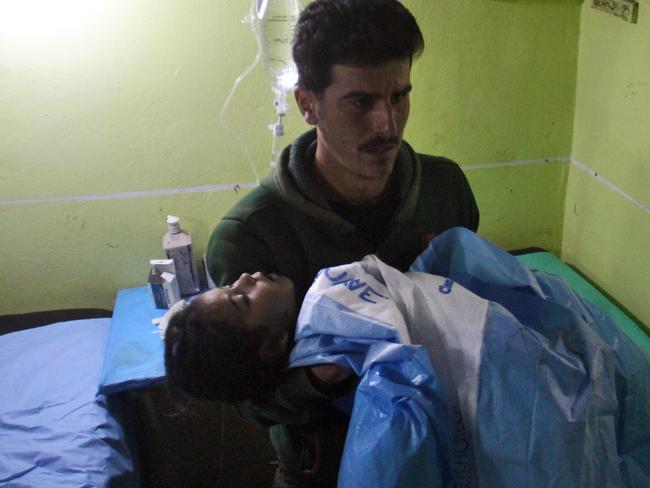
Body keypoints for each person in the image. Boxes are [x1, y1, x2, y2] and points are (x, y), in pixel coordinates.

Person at [205, 0, 479, 485]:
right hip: (325, 469)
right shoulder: (249, 237)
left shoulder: (445, 189)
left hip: (448, 450)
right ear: (308, 104)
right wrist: (317, 379)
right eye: (361, 102)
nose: (387, 126)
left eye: (399, 96)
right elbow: (250, 402)